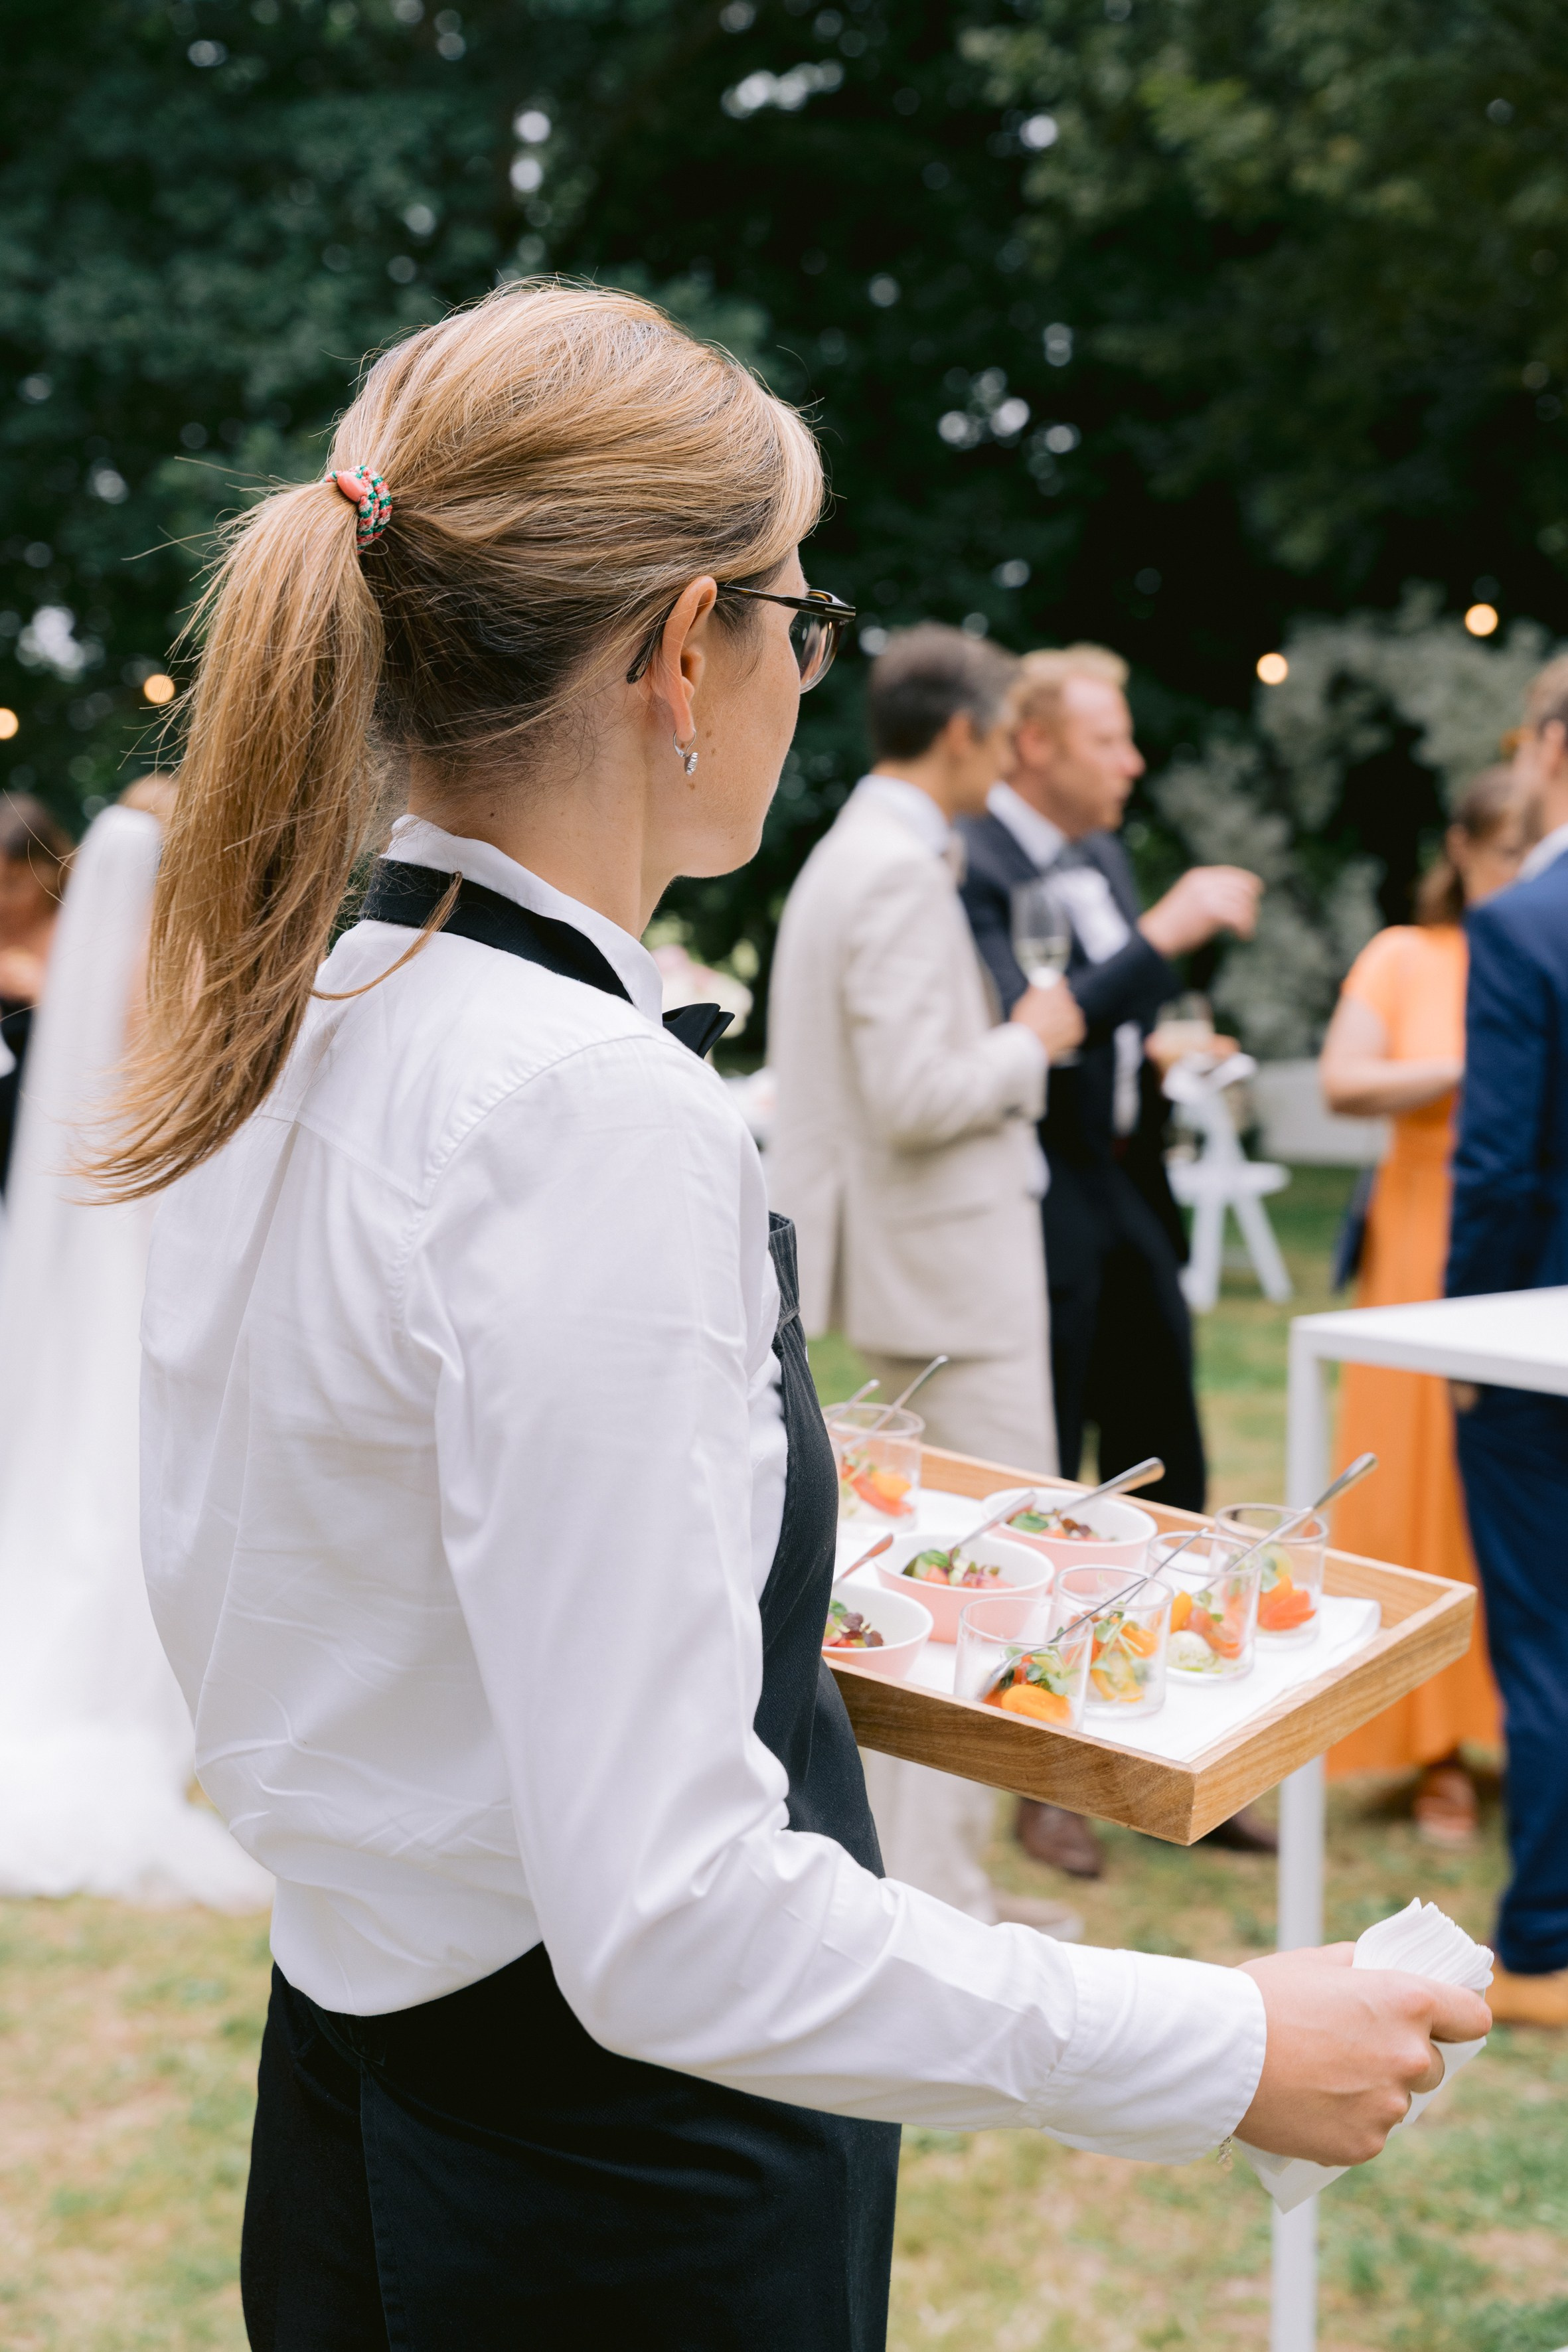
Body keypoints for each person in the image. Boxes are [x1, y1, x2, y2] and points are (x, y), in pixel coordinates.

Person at [98, 283, 1486, 2347]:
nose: (799, 668)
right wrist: (1225, 2037)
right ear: (681, 647)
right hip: (616, 2170)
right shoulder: (579, 1101)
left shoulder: (290, 1011)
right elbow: (674, 1920)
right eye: (793, 612)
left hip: (360, 2080)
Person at [768, 624, 1083, 1926]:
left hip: (909, 1263)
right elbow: (911, 1095)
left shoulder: (860, 852)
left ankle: (915, 1881)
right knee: (996, 1586)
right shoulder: (892, 872)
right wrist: (1028, 1042)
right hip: (949, 1275)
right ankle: (936, 1902)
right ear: (958, 733)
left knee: (936, 1578)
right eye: (1007, 730)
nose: (1013, 755)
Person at [959, 645, 1267, 1876]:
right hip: (1042, 1202)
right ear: (1032, 744)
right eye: (1108, 738)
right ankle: (1044, 1777)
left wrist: (1158, 1057)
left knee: (1167, 1464)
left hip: (1131, 1189)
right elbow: (1022, 1029)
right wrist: (1170, 932)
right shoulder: (973, 862)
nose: (1132, 759)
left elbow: (1104, 1019)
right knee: (1057, 1484)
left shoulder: (1097, 858)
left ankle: (1173, 1743)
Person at [0, 777, 270, 1909]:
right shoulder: (174, 973)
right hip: (153, 1241)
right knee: (131, 1461)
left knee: (82, 1456)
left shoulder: (91, 977)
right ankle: (141, 1681)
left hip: (93, 1244)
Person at [1318, 768, 1524, 1840]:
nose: (1515, 872)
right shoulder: (1406, 954)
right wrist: (1463, 1065)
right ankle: (1430, 1743)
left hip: (1532, 1243)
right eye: (1498, 852)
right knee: (1417, 1492)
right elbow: (1342, 1079)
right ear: (1461, 850)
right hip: (1421, 1243)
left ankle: (1515, 1728)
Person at [1446, 655, 1568, 2028]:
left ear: (1544, 747)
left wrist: (1462, 1340)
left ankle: (1539, 1941)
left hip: (1537, 1328)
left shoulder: (1528, 924)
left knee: (1542, 1635)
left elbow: (1494, 1168)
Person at [0, 792, 73, 1197]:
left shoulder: (75, 928)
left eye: (13, 883)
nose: (2, 898)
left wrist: (40, 990)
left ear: (47, 867)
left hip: (54, 1111)